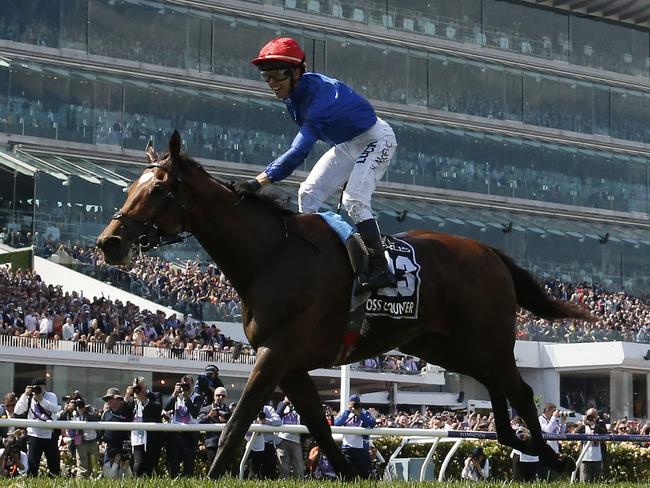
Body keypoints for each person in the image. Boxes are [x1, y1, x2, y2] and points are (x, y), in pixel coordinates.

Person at [238, 36, 398, 292]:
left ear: (297, 72)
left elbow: (297, 153)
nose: (271, 84)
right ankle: (317, 258)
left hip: (377, 140)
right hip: (348, 144)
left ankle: (381, 269)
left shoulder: (318, 104)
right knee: (308, 192)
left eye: (277, 76)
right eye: (266, 76)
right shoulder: (298, 90)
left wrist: (257, 182)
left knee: (354, 200)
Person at [13, 378, 61, 476]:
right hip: (33, 434)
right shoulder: (30, 397)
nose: (39, 389)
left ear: (45, 387)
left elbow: (55, 409)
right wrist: (25, 395)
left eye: (41, 387)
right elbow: (17, 411)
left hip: (49, 435)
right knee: (33, 464)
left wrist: (41, 400)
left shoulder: (51, 396)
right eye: (37, 387)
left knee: (54, 464)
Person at [164, 375, 202, 477]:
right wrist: (174, 394)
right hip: (175, 434)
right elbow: (166, 408)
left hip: (190, 435)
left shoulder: (197, 397)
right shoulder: (176, 397)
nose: (185, 387)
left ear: (192, 385)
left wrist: (186, 398)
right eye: (183, 385)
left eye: (187, 385)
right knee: (173, 465)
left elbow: (195, 413)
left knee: (189, 466)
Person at [125, 377, 163, 477]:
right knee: (138, 465)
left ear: (145, 387)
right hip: (136, 438)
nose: (138, 390)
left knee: (151, 466)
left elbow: (158, 410)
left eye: (140, 387)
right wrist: (127, 396)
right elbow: (124, 413)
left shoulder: (155, 396)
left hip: (151, 438)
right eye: (136, 388)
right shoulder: (132, 400)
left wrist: (145, 399)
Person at [333, 394, 376, 478]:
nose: (354, 406)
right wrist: (347, 411)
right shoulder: (346, 413)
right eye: (352, 404)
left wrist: (360, 414)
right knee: (349, 475)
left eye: (355, 404)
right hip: (347, 448)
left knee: (366, 475)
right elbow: (336, 423)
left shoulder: (364, 413)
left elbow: (372, 423)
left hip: (361, 449)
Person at [197, 386, 231, 469]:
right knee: (212, 467)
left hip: (224, 442)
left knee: (223, 468)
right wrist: (209, 416)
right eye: (218, 395)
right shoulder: (206, 409)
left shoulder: (228, 411)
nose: (220, 397)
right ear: (214, 396)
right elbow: (198, 422)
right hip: (211, 442)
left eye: (223, 396)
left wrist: (225, 421)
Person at [246, 404, 281, 479]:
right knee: (253, 473)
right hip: (254, 445)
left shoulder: (268, 408)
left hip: (268, 444)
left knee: (269, 473)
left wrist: (265, 420)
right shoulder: (248, 408)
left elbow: (278, 421)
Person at [574, 407, 607, 482]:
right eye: (589, 416)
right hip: (585, 458)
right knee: (585, 480)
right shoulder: (583, 424)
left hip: (597, 458)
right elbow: (575, 433)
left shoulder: (600, 424)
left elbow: (605, 435)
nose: (591, 418)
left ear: (597, 417)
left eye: (593, 416)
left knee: (597, 480)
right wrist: (583, 424)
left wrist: (595, 425)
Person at [275, 396, 303, 479]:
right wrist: (285, 402)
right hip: (282, 439)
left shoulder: (300, 406)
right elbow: (278, 414)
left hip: (296, 440)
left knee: (298, 468)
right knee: (283, 468)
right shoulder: (281, 404)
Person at [537, 402, 566, 480]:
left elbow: (561, 434)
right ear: (547, 410)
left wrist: (563, 421)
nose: (555, 413)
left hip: (555, 452)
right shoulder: (540, 419)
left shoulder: (553, 420)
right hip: (545, 452)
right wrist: (554, 417)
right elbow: (547, 431)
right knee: (544, 477)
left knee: (553, 477)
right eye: (553, 411)